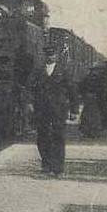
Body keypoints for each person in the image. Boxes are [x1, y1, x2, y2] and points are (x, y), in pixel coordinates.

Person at [30, 45, 77, 176]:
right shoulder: (38, 71)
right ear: (44, 56)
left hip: (58, 109)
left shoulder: (64, 70)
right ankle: (46, 164)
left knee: (58, 137)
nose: (50, 57)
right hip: (42, 108)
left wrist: (74, 110)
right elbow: (31, 87)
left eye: (52, 55)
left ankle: (58, 168)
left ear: (56, 56)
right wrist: (30, 103)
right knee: (42, 137)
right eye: (47, 55)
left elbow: (72, 91)